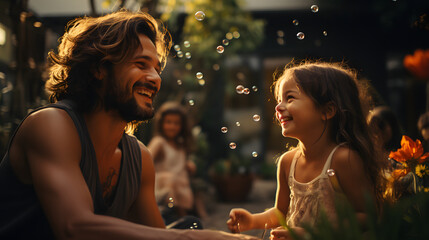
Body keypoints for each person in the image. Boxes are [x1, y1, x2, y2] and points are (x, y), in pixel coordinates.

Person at [0, 10, 258, 240]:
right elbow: (74, 227)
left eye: (157, 68)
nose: (155, 78)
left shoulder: (139, 158)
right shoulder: (51, 125)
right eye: (140, 64)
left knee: (191, 223)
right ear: (99, 68)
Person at [227, 61, 384, 239]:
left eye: (290, 98)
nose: (278, 107)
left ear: (327, 110)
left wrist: (312, 234)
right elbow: (281, 212)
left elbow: (367, 215)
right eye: (279, 100)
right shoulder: (287, 162)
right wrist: (253, 221)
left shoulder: (343, 158)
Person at [148, 102, 198, 221]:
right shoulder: (159, 142)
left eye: (176, 123)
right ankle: (180, 217)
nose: (172, 126)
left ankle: (183, 218)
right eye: (168, 122)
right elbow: (145, 158)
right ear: (161, 123)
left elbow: (177, 163)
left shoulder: (180, 145)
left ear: (182, 126)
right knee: (171, 179)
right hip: (162, 187)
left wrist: (188, 165)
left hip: (179, 185)